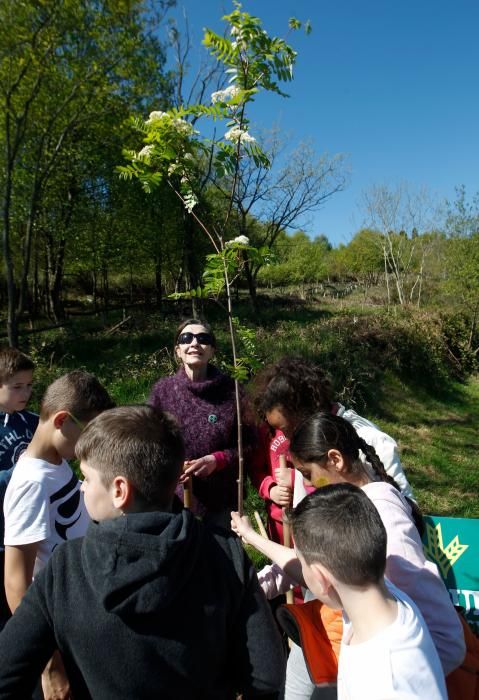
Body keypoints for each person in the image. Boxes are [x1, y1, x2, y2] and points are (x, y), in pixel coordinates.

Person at [0, 405, 285, 699]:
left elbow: (7, 674)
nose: (82, 488)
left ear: (119, 490)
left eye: (86, 477)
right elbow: (266, 676)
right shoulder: (225, 554)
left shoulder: (65, 569)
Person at [232, 413, 465, 697]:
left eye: (307, 475)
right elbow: (310, 559)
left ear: (336, 460)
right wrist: (254, 547)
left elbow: (448, 642)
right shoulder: (352, 507)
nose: (304, 486)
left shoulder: (386, 520)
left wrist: (394, 673)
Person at [3, 369, 114, 699]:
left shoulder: (56, 461)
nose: (90, 445)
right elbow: (15, 581)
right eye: (87, 432)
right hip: (57, 634)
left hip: (81, 614)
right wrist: (50, 667)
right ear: (62, 420)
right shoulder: (31, 484)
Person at [289, 483, 448, 700]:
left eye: (302, 562)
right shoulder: (376, 592)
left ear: (321, 578)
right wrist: (250, 535)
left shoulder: (387, 683)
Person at [249, 357, 414, 545]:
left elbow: (408, 515)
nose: (285, 438)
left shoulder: (370, 440)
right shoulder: (309, 448)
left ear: (307, 410)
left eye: (287, 429)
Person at [149, 318, 255, 527]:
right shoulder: (163, 392)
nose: (195, 343)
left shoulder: (233, 392)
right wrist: (172, 465)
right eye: (187, 338)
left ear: (212, 350)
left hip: (222, 500)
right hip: (173, 497)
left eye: (203, 338)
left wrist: (218, 459)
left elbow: (251, 442)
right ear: (178, 350)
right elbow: (149, 441)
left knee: (219, 557)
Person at [0, 347, 38, 629]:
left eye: (28, 386)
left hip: (31, 524)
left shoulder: (33, 421)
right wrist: (19, 471)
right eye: (16, 387)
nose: (24, 393)